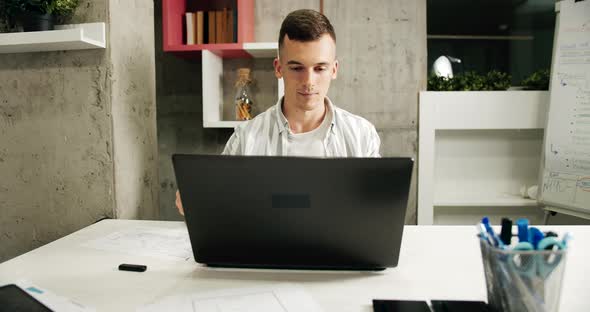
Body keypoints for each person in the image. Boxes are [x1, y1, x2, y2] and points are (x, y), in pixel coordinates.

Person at [176, 9, 381, 215]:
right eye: (296, 68)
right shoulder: (245, 138)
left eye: (320, 68)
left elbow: (374, 207)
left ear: (334, 70)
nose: (309, 82)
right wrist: (194, 198)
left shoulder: (362, 135)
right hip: (266, 246)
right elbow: (217, 199)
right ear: (278, 68)